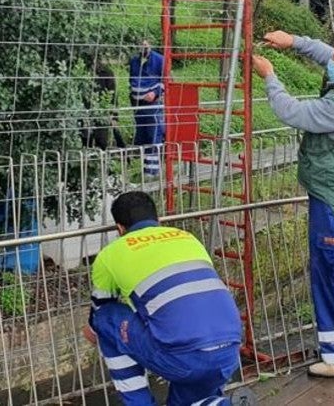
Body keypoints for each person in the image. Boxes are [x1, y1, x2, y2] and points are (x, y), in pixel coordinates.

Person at [251, 31, 334, 377]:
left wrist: (270, 77)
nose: (331, 63)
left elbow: (292, 112)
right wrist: (294, 41)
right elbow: (329, 53)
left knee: (332, 276)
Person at [84, 191, 242, 406]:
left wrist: (94, 331)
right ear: (157, 220)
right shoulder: (188, 239)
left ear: (120, 228)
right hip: (229, 354)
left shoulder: (111, 253)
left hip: (183, 359)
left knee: (104, 319)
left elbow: (100, 308)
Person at [130, 42, 166, 175]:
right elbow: (131, 80)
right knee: (142, 137)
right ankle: (146, 171)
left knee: (154, 136)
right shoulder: (134, 61)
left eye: (145, 44)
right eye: (139, 44)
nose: (142, 47)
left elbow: (167, 81)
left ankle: (153, 172)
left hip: (153, 105)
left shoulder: (159, 60)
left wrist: (155, 93)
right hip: (138, 105)